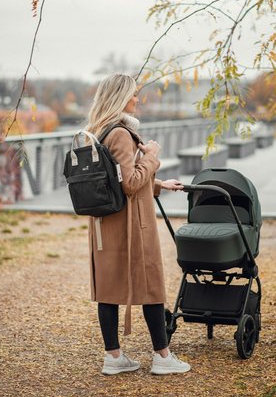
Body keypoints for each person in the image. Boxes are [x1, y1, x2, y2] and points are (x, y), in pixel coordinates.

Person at [86, 74, 191, 375]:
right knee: (151, 284)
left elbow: (118, 179)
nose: (137, 99)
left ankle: (114, 357)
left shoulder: (100, 131)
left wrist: (158, 183)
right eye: (133, 94)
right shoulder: (120, 133)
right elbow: (131, 183)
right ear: (120, 97)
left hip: (106, 225)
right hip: (132, 227)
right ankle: (162, 357)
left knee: (109, 288)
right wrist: (153, 159)